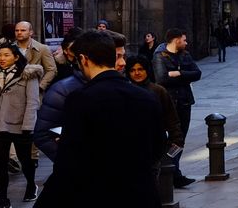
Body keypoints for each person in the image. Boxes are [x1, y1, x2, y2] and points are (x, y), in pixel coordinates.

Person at [33, 31, 165, 208]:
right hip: (141, 192)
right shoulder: (147, 97)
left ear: (84, 59)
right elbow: (159, 146)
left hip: (98, 192)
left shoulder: (80, 99)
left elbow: (70, 158)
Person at [0, 43, 42, 207]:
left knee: (26, 161)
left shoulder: (28, 74)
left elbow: (32, 102)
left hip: (20, 126)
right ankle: (3, 199)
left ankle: (31, 185)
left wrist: (28, 126)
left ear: (16, 57)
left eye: (6, 55)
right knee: (0, 165)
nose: (1, 59)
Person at [152, 28, 202, 188]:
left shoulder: (185, 55)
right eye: (184, 40)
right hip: (169, 103)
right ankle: (171, 172)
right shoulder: (160, 56)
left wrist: (179, 73)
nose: (186, 43)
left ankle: (174, 171)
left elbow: (197, 73)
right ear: (176, 40)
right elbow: (162, 79)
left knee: (180, 139)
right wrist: (183, 76)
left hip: (184, 101)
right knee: (171, 138)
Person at [126, 57, 184, 157]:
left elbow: (171, 118)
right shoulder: (125, 91)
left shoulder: (158, 91)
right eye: (132, 70)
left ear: (147, 70)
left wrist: (176, 140)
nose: (137, 73)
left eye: (140, 69)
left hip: (156, 142)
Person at [14, 22, 57, 93]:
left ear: (31, 32)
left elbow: (52, 70)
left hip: (33, 90)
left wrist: (40, 86)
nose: (19, 32)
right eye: (17, 30)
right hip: (14, 91)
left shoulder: (42, 48)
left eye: (23, 30)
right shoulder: (9, 48)